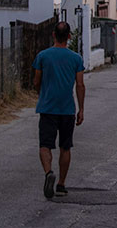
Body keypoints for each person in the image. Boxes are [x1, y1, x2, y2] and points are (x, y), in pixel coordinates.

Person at [32, 21, 85, 199]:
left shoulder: (43, 56)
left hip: (47, 108)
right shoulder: (76, 59)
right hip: (67, 109)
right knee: (65, 147)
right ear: (69, 36)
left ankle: (48, 173)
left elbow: (36, 81)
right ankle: (61, 183)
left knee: (45, 145)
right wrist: (81, 109)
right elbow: (80, 85)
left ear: (53, 35)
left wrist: (42, 94)